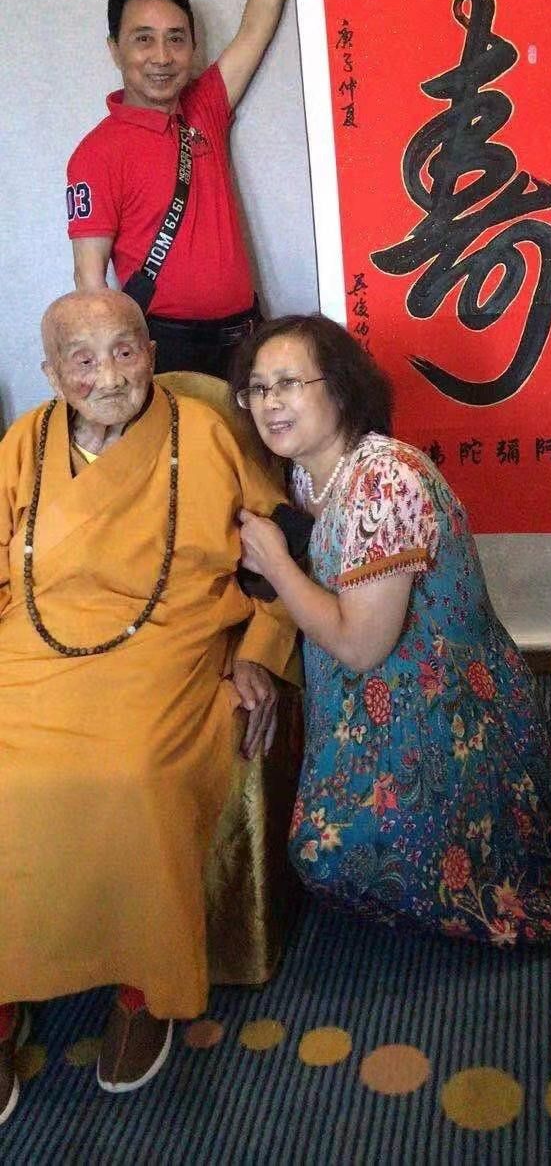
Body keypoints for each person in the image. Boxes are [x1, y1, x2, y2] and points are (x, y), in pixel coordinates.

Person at [231, 314, 551, 945]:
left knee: (329, 858)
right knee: (323, 852)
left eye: (289, 383)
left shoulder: (382, 482)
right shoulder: (308, 473)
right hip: (377, 697)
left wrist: (277, 565)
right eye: (258, 389)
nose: (270, 403)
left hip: (444, 706)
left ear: (339, 389)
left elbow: (362, 647)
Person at [0, 291, 299, 1123]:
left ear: (152, 352)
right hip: (31, 642)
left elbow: (280, 556)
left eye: (124, 351)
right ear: (51, 372)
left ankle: (144, 987)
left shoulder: (206, 433)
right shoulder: (23, 442)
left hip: (168, 641)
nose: (108, 376)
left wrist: (260, 651)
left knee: (134, 773)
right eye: (82, 359)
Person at [66, 0, 296, 379]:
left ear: (192, 48)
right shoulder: (96, 153)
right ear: (114, 50)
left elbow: (255, 28)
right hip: (162, 346)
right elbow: (90, 283)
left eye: (176, 38)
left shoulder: (204, 106)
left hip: (244, 336)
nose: (162, 56)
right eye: (143, 39)